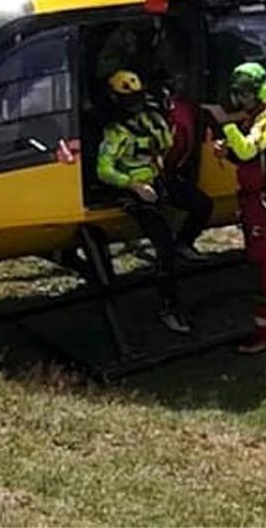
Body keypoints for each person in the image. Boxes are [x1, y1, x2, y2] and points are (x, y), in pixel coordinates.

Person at [96, 68, 209, 333]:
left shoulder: (152, 119)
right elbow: (103, 170)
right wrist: (133, 185)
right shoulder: (115, 132)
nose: (135, 104)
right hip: (131, 192)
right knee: (163, 246)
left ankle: (185, 243)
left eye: (137, 98)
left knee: (202, 205)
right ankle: (170, 307)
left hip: (158, 179)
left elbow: (168, 142)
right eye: (129, 100)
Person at [211, 62, 266, 354]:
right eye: (238, 94)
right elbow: (247, 157)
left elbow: (249, 149)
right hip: (254, 200)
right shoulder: (254, 118)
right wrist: (228, 152)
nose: (240, 100)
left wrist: (226, 124)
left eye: (246, 94)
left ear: (261, 93)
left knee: (263, 268)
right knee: (265, 263)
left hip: (265, 202)